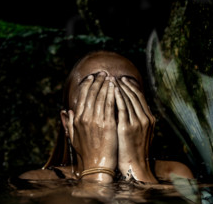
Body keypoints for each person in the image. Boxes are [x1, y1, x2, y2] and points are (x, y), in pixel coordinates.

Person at [19, 50, 192, 184]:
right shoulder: (36, 183)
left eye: (127, 92)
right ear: (67, 123)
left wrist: (138, 169)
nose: (112, 102)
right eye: (95, 95)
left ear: (148, 117)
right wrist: (97, 172)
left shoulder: (175, 175)